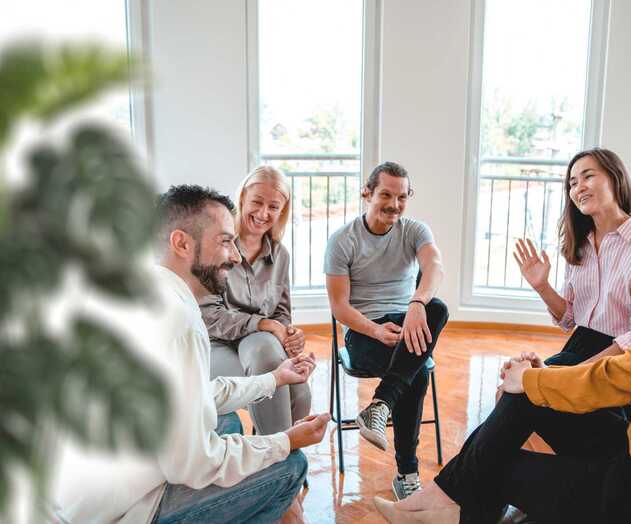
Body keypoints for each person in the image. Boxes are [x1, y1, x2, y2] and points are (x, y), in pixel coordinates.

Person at [374, 188, 631, 523]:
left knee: (497, 463)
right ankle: (442, 503)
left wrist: (534, 380)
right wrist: (540, 380)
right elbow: (629, 368)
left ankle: (446, 506)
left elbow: (625, 375)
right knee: (522, 400)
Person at [57, 185, 329, 523]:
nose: (236, 255)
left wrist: (273, 379)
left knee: (227, 421)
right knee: (291, 466)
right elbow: (195, 463)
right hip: (125, 508)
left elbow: (193, 395)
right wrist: (284, 441)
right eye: (226, 241)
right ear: (182, 243)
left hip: (82, 492)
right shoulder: (181, 322)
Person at [325, 161, 449, 500]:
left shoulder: (414, 230)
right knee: (418, 369)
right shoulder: (342, 241)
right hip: (364, 332)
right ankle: (407, 474)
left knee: (437, 308)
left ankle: (380, 405)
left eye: (402, 196)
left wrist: (417, 304)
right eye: (386, 195)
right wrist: (377, 332)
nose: (394, 204)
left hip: (408, 321)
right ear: (367, 193)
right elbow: (340, 308)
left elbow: (434, 267)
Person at [514, 148, 631, 368]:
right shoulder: (580, 244)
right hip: (578, 348)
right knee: (510, 388)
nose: (579, 187)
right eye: (573, 183)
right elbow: (569, 320)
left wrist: (574, 375)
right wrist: (542, 287)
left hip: (621, 362)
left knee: (521, 390)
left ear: (615, 179)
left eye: (588, 176)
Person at [200, 166, 310, 435]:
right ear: (242, 200)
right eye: (257, 202)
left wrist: (289, 334)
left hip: (263, 344)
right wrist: (265, 325)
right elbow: (209, 316)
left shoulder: (280, 255)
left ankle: (274, 453)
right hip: (217, 345)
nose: (263, 214)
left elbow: (281, 313)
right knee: (265, 354)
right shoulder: (217, 247)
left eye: (273, 207)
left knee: (301, 396)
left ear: (281, 211)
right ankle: (276, 456)